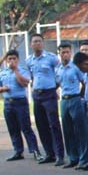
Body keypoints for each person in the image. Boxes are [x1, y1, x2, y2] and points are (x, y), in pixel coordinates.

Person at [0, 49, 42, 161]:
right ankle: (18, 151)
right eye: (9, 59)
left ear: (18, 59)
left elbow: (24, 83)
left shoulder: (22, 70)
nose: (12, 61)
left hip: (20, 102)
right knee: (13, 128)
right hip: (8, 103)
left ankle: (35, 151)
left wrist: (15, 70)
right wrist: (2, 89)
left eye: (14, 59)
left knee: (26, 127)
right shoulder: (3, 73)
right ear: (6, 60)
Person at [27, 33, 64, 166]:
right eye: (34, 41)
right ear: (31, 44)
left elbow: (59, 74)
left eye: (39, 41)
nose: (37, 43)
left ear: (43, 43)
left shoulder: (51, 58)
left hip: (49, 94)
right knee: (41, 125)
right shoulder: (29, 60)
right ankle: (49, 153)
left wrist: (55, 87)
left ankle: (60, 154)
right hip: (37, 95)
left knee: (54, 125)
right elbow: (31, 77)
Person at [55, 43, 88, 169]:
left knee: (80, 130)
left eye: (68, 52)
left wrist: (81, 96)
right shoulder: (58, 69)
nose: (65, 55)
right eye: (63, 52)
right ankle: (72, 157)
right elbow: (57, 83)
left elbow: (84, 82)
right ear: (59, 54)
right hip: (64, 100)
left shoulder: (75, 68)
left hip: (75, 98)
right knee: (67, 130)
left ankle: (83, 158)